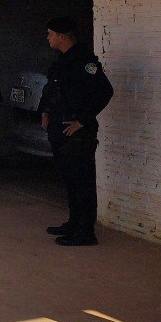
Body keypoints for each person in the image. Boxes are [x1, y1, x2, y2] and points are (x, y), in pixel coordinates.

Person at [39, 17, 113, 246]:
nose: (48, 37)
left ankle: (85, 231)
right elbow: (51, 89)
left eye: (51, 33)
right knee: (69, 179)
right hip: (59, 128)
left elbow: (104, 91)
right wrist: (45, 112)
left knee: (83, 180)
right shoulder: (61, 61)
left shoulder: (85, 61)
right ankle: (74, 222)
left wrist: (82, 120)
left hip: (77, 133)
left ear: (62, 36)